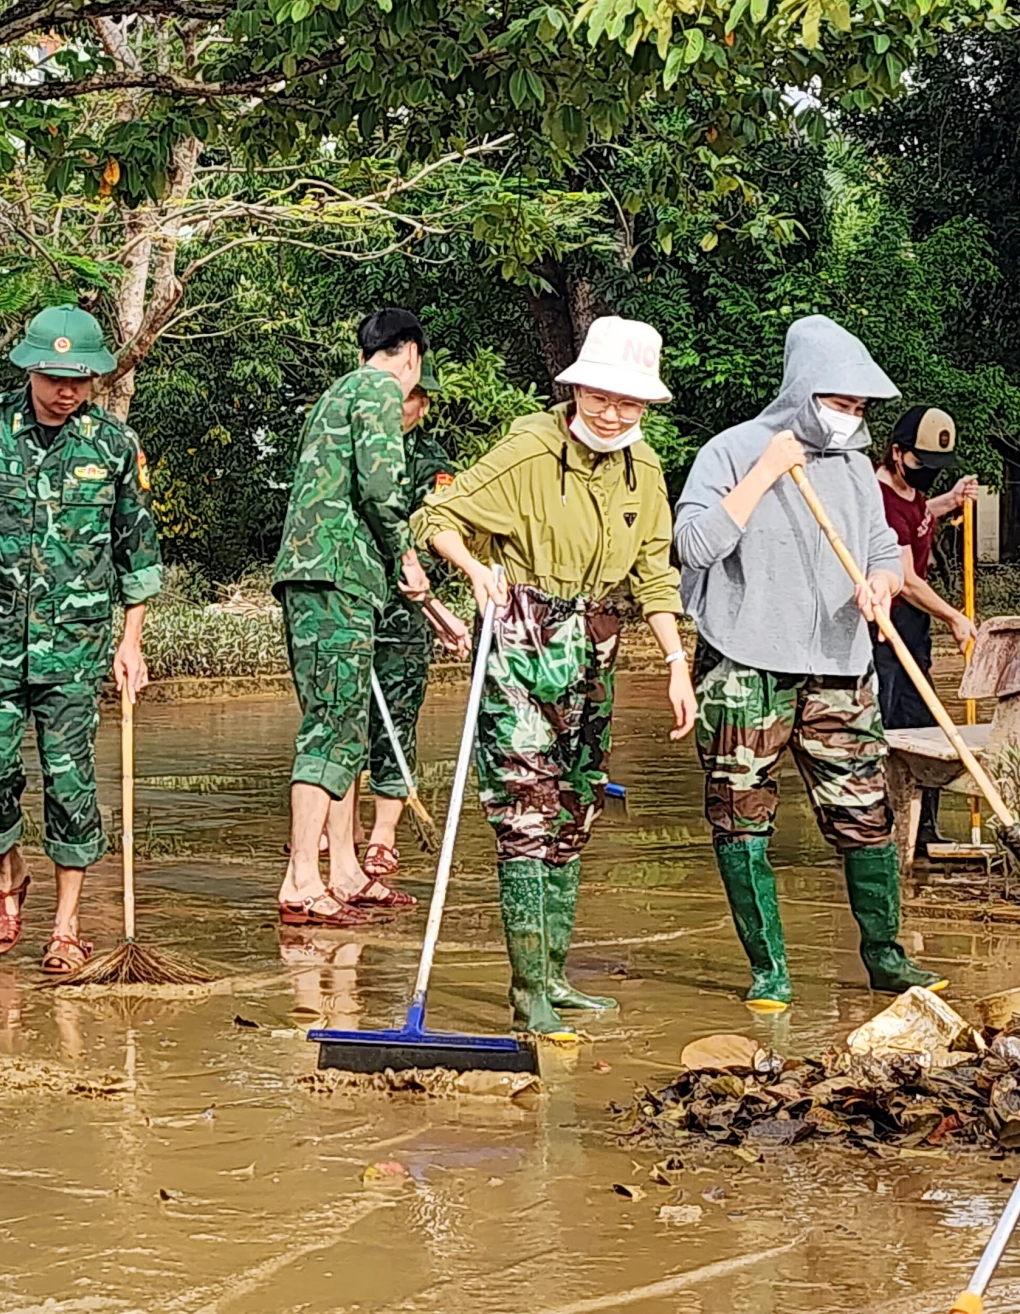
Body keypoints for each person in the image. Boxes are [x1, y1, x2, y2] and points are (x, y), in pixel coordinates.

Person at [415, 317, 694, 1041]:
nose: (612, 413)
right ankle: (527, 990)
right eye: (601, 396)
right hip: (521, 633)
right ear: (575, 389)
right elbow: (437, 515)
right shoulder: (531, 448)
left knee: (576, 806)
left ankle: (558, 976)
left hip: (596, 643)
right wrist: (476, 570)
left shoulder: (647, 469)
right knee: (526, 811)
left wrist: (675, 663)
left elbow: (655, 574)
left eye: (628, 403)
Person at [675, 315, 944, 1012]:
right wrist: (765, 473)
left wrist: (881, 584)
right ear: (802, 390)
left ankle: (885, 955)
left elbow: (884, 549)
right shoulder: (732, 451)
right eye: (839, 403)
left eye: (859, 408)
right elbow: (693, 546)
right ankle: (770, 968)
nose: (849, 419)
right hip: (746, 664)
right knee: (742, 816)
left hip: (839, 667)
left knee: (866, 812)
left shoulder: (855, 469)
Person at [0, 305, 162, 973]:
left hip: (75, 644)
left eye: (81, 379)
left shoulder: (112, 444)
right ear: (29, 368)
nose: (68, 390)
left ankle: (65, 923)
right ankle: (7, 873)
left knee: (70, 781)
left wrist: (131, 640)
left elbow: (135, 550)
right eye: (55, 377)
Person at [272, 308, 431, 927]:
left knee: (343, 723)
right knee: (332, 723)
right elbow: (382, 488)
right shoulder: (377, 390)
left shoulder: (336, 393)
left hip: (326, 574)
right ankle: (302, 879)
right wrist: (406, 559)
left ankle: (342, 868)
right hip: (336, 572)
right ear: (410, 353)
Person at [364, 360, 471, 872]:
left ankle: (382, 834)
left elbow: (436, 526)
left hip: (406, 607)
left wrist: (432, 605)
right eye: (407, 396)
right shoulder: (351, 442)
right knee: (340, 719)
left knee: (397, 720)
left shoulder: (430, 459)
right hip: (348, 598)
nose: (412, 407)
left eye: (418, 399)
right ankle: (328, 830)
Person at [875, 405, 979, 853]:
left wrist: (950, 500)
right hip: (882, 624)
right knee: (889, 726)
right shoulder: (877, 500)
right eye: (922, 464)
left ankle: (924, 830)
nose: (928, 475)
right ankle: (881, 831)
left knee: (928, 723)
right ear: (897, 453)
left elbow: (919, 514)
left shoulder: (910, 494)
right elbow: (910, 582)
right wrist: (955, 617)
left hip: (912, 626)